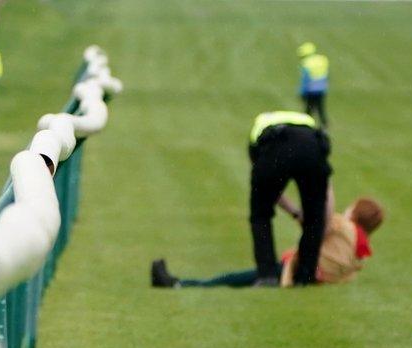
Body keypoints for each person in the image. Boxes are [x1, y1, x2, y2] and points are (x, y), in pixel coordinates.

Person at [151, 197, 384, 289]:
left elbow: (318, 220)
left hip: (292, 272)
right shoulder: (358, 251)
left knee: (234, 279)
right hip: (306, 275)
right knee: (243, 278)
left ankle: (179, 284)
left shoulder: (344, 227)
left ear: (353, 214)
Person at [246, 110, 332, 287]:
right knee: (314, 218)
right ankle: (306, 276)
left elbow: (265, 188)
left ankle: (267, 275)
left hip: (275, 147)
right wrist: (323, 220)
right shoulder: (307, 122)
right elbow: (326, 188)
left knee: (260, 215)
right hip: (312, 148)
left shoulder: (260, 127)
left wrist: (293, 212)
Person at [297, 42, 329, 127]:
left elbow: (305, 79)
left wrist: (302, 91)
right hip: (321, 88)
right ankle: (324, 123)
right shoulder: (322, 60)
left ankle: (306, 123)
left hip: (310, 89)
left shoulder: (307, 63)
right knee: (320, 107)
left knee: (309, 108)